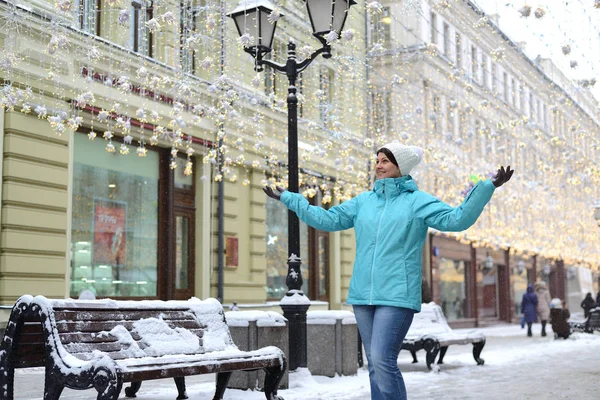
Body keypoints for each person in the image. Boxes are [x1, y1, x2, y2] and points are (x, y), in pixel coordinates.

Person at [264, 142, 514, 400]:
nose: (379, 166)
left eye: (385, 161)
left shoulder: (418, 201)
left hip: (397, 293)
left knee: (383, 360)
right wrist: (291, 199)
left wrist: (486, 187)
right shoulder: (364, 201)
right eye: (378, 160)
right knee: (375, 364)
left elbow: (457, 219)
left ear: (400, 166)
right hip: (363, 295)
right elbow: (327, 220)